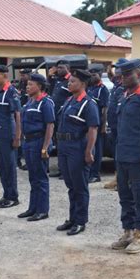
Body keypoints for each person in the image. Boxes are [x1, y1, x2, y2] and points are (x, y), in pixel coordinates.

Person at [110, 59, 140, 254]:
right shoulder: (124, 96)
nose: (124, 78)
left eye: (128, 74)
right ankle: (128, 232)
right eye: (122, 74)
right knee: (124, 196)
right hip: (122, 154)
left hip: (138, 156)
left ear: (139, 75)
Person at [56, 69, 99, 236]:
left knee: (80, 186)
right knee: (71, 185)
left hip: (78, 147)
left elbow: (92, 129)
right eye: (70, 81)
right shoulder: (69, 100)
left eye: (73, 81)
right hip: (64, 146)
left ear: (82, 84)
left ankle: (81, 220)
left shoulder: (89, 104)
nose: (69, 83)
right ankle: (72, 218)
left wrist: (89, 152)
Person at [18, 73, 55, 221]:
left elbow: (50, 125)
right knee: (33, 177)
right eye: (27, 85)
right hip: (29, 142)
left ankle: (42, 210)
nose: (27, 87)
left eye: (30, 85)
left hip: (39, 141)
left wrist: (45, 147)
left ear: (39, 86)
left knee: (41, 177)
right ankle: (33, 208)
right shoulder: (29, 102)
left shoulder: (45, 102)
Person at [0, 65, 22, 208]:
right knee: (2, 166)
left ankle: (13, 197)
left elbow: (17, 115)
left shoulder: (11, 92)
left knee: (10, 167)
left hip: (8, 135)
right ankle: (6, 194)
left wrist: (17, 137)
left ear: (5, 76)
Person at [103, 59, 127, 190]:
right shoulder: (117, 82)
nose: (116, 70)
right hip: (113, 126)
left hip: (120, 126)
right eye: (116, 68)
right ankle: (117, 177)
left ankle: (122, 180)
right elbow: (111, 77)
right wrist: (109, 70)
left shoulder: (124, 85)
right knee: (116, 153)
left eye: (119, 68)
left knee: (121, 154)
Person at [48, 59, 72, 178]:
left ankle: (66, 170)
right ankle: (61, 168)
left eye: (62, 68)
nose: (59, 70)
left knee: (65, 144)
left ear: (68, 68)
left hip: (65, 117)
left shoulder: (70, 81)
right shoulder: (58, 81)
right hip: (55, 116)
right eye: (58, 68)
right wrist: (50, 76)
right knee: (59, 144)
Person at [87, 63, 109, 183]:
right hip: (89, 122)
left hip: (98, 122)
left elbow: (105, 109)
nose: (92, 76)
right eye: (90, 74)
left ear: (99, 75)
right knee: (90, 147)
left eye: (94, 74)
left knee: (97, 149)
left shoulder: (103, 89)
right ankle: (90, 171)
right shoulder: (90, 88)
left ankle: (96, 173)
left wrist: (103, 126)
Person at [16, 68, 32, 171]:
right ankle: (19, 159)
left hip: (29, 115)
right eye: (21, 75)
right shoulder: (21, 85)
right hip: (21, 113)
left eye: (23, 75)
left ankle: (28, 161)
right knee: (21, 139)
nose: (22, 77)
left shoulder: (31, 86)